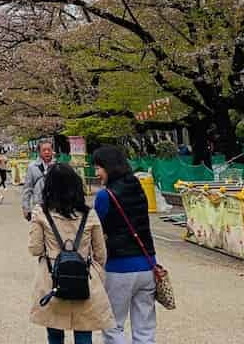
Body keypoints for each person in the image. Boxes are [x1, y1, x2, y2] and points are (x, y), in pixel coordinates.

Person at [30, 164, 115, 344]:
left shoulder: (41, 213)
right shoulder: (89, 214)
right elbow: (100, 253)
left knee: (54, 333)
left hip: (52, 275)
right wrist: (97, 273)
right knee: (84, 331)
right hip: (83, 275)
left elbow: (35, 249)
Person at [92, 145, 157, 344]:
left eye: (98, 168)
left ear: (108, 168)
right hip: (148, 264)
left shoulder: (105, 196)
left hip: (119, 267)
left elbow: (96, 229)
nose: (97, 173)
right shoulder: (138, 187)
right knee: (145, 327)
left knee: (113, 325)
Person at [24, 140, 59, 222]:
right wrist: (26, 207)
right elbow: (27, 188)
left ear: (52, 151)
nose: (47, 152)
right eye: (44, 150)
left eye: (49, 150)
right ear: (39, 152)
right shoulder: (32, 167)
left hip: (56, 206)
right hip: (38, 205)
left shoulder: (58, 166)